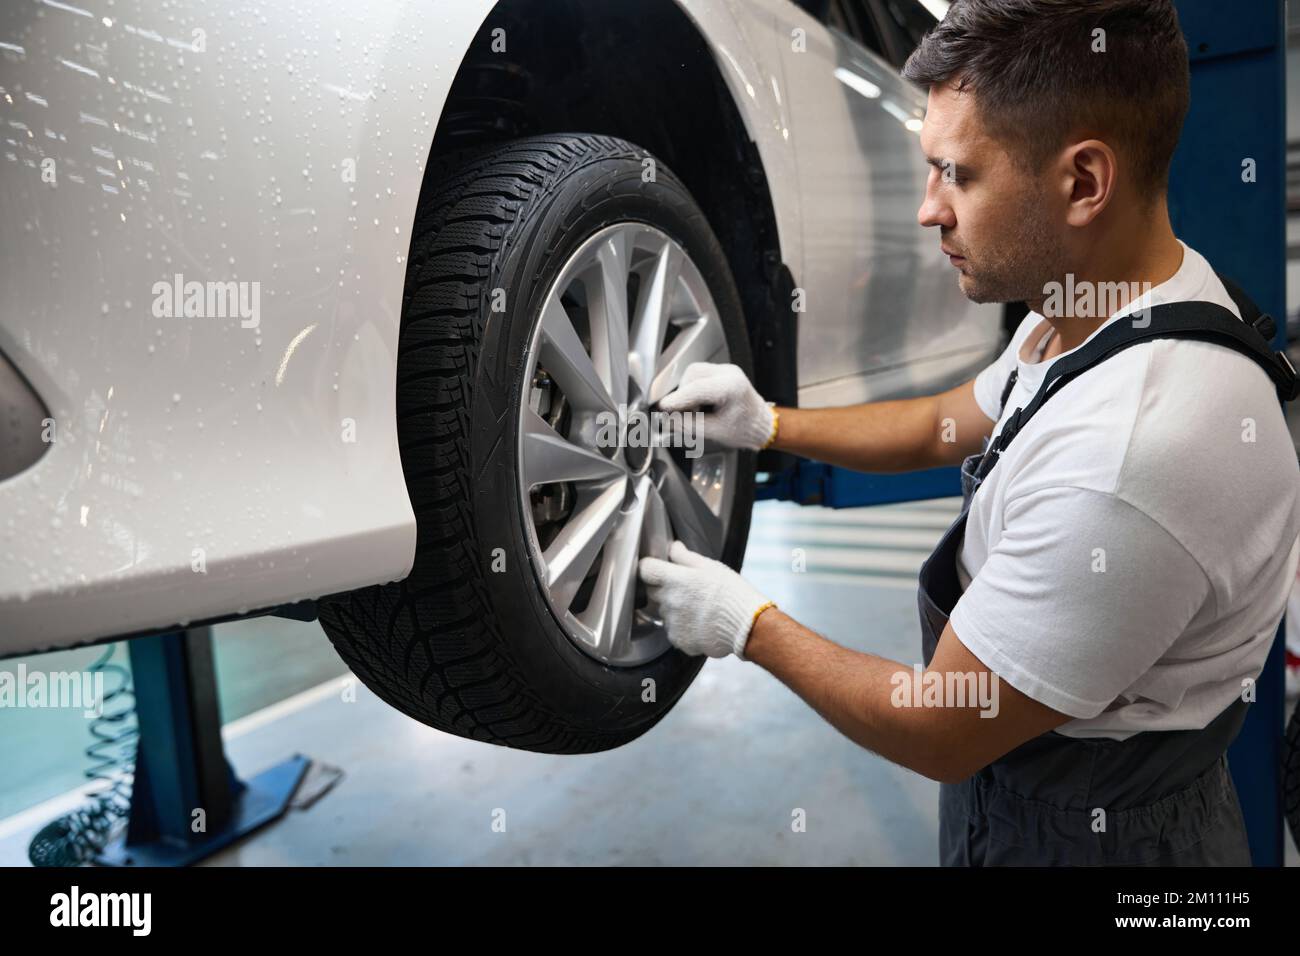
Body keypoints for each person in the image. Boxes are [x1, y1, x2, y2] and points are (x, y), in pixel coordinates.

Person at [638, 0, 1300, 865]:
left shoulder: (1130, 458)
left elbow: (943, 728)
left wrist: (747, 623)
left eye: (958, 174)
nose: (928, 210)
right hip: (1030, 790)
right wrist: (769, 423)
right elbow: (942, 423)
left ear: (1083, 182)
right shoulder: (1089, 307)